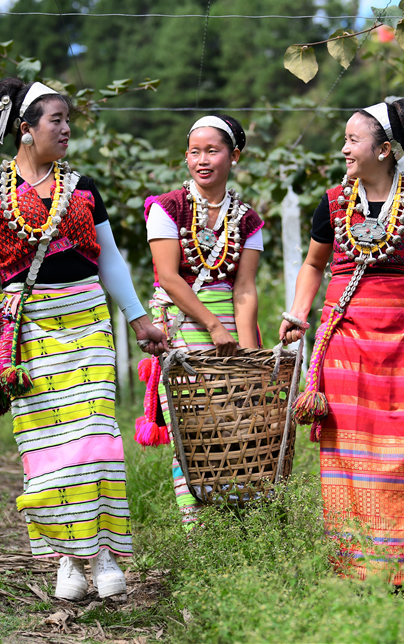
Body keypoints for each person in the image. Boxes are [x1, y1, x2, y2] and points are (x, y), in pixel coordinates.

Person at [0, 77, 167, 601]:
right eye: (56, 120)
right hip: (29, 331)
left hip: (87, 320)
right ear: (25, 128)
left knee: (97, 434)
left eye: (67, 120)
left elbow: (110, 259)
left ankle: (104, 553)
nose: (66, 129)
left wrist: (137, 319)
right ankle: (67, 558)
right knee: (50, 447)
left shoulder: (83, 189)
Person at [279, 98, 404, 588]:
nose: (343, 149)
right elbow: (314, 264)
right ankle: (358, 569)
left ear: (383, 150)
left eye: (352, 140)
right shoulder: (333, 202)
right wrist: (298, 313)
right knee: (352, 449)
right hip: (347, 345)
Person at [134, 114, 263, 529]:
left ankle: (233, 523)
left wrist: (249, 358)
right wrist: (212, 325)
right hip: (182, 322)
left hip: (228, 325)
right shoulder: (166, 208)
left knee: (234, 422)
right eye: (194, 151)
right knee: (189, 427)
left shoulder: (248, 219)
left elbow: (245, 288)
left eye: (213, 151)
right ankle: (195, 531)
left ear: (234, 156)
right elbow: (170, 278)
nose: (202, 160)